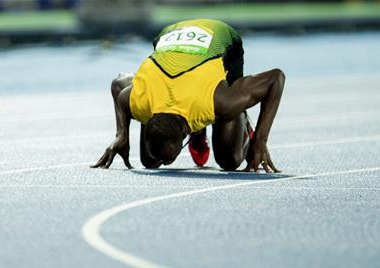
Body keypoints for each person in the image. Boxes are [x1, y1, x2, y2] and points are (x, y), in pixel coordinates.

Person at [92, 18, 284, 173]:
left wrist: (260, 140)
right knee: (149, 162)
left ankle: (238, 118)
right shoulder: (139, 101)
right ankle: (199, 131)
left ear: (186, 133)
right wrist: (121, 135)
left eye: (170, 159)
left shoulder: (218, 101)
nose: (167, 164)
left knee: (229, 160)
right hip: (170, 34)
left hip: (219, 36)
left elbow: (275, 78)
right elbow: (118, 83)